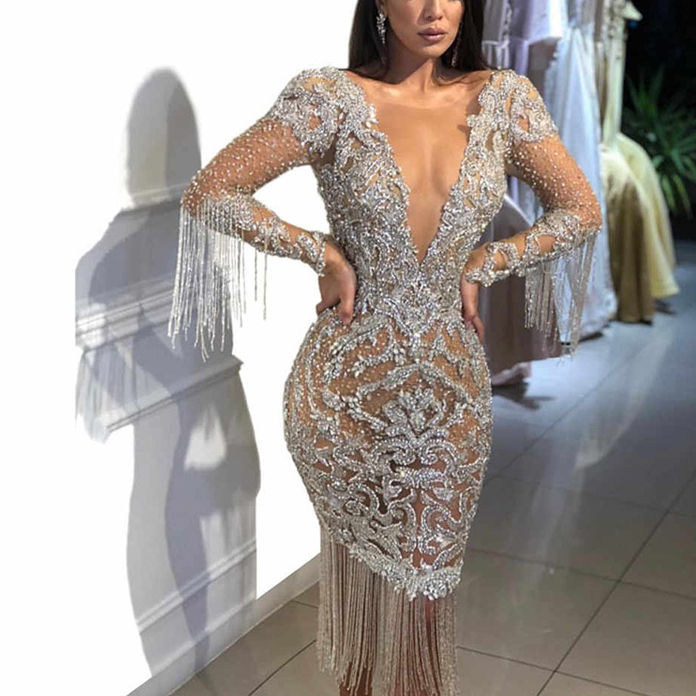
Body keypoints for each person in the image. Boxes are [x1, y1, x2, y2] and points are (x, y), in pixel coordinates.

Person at [168, 1, 602, 694]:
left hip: (451, 396)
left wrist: (486, 262)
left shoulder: (506, 100)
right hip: (345, 396)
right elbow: (212, 191)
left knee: (426, 600)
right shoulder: (329, 98)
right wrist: (320, 252)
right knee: (365, 604)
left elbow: (580, 208)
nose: (434, 9)